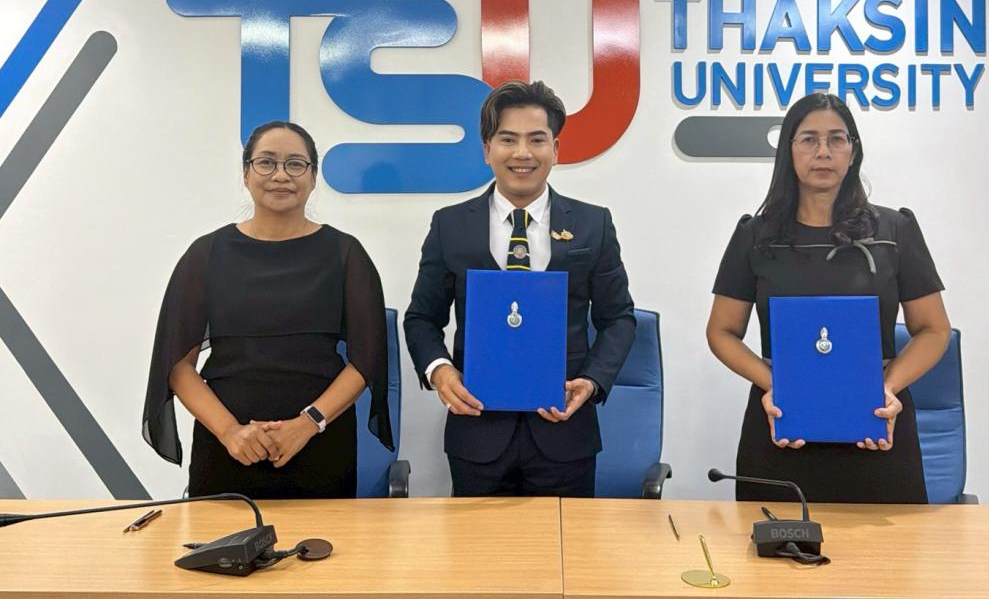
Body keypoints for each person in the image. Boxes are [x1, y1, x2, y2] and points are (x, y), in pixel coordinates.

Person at [706, 93, 952, 503]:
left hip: (877, 422)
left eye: (837, 139)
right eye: (809, 139)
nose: (823, 152)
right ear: (789, 151)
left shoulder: (895, 230)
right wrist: (778, 386)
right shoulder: (755, 235)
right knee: (774, 542)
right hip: (781, 420)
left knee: (889, 545)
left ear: (853, 151)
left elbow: (934, 329)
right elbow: (721, 331)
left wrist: (886, 388)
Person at [404, 80, 636, 497]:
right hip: (477, 431)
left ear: (556, 150)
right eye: (508, 139)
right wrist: (440, 371)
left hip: (565, 430)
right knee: (479, 541)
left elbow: (618, 317)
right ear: (487, 150)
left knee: (567, 540)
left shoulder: (592, 224)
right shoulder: (450, 225)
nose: (523, 153)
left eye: (537, 140)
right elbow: (422, 318)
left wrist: (591, 380)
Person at [142, 121, 393, 498]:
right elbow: (177, 364)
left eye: (295, 164)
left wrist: (308, 423)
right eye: (266, 162)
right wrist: (231, 432)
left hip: (319, 446)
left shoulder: (345, 254)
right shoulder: (206, 254)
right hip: (228, 449)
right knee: (222, 539)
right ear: (246, 174)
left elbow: (366, 360)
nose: (281, 175)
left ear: (313, 178)